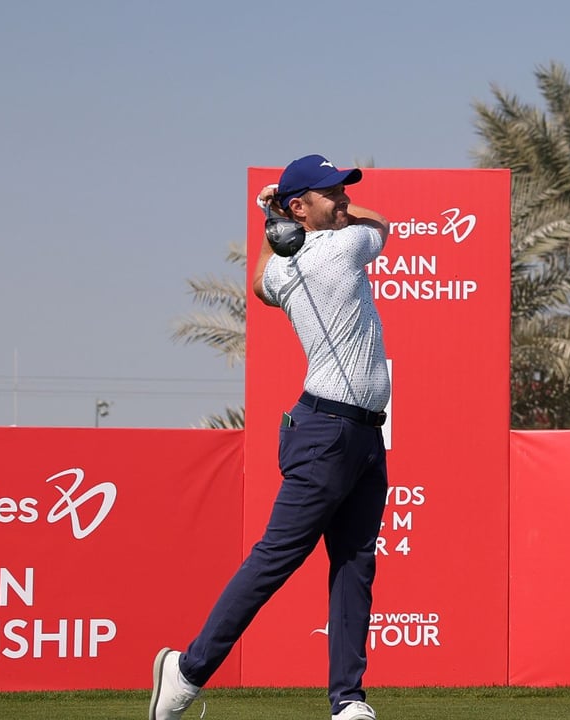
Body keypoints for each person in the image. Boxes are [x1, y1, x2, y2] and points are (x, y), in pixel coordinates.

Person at [150, 154, 391, 720]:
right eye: (331, 193)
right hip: (327, 433)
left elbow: (260, 285)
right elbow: (380, 226)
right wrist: (305, 217)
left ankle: (349, 701)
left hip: (355, 435)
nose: (343, 201)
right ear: (300, 206)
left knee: (355, 564)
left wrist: (270, 223)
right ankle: (185, 673)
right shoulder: (341, 247)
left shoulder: (285, 269)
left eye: (343, 191)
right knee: (276, 559)